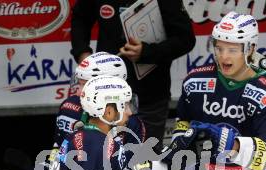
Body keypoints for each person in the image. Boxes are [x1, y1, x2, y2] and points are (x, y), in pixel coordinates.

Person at [169, 11, 266, 170]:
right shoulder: (194, 82)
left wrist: (232, 144)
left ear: (250, 49)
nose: (223, 57)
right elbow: (183, 122)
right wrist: (180, 156)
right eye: (219, 48)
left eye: (232, 50)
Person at [18, 52, 146, 170]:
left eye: (84, 84)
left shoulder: (132, 122)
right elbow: (57, 156)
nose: (78, 91)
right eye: (78, 83)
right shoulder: (69, 108)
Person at [70, 0, 196, 152]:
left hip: (149, 97)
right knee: (99, 157)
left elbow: (186, 39)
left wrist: (147, 52)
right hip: (103, 98)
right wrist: (82, 53)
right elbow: (80, 17)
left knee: (145, 161)